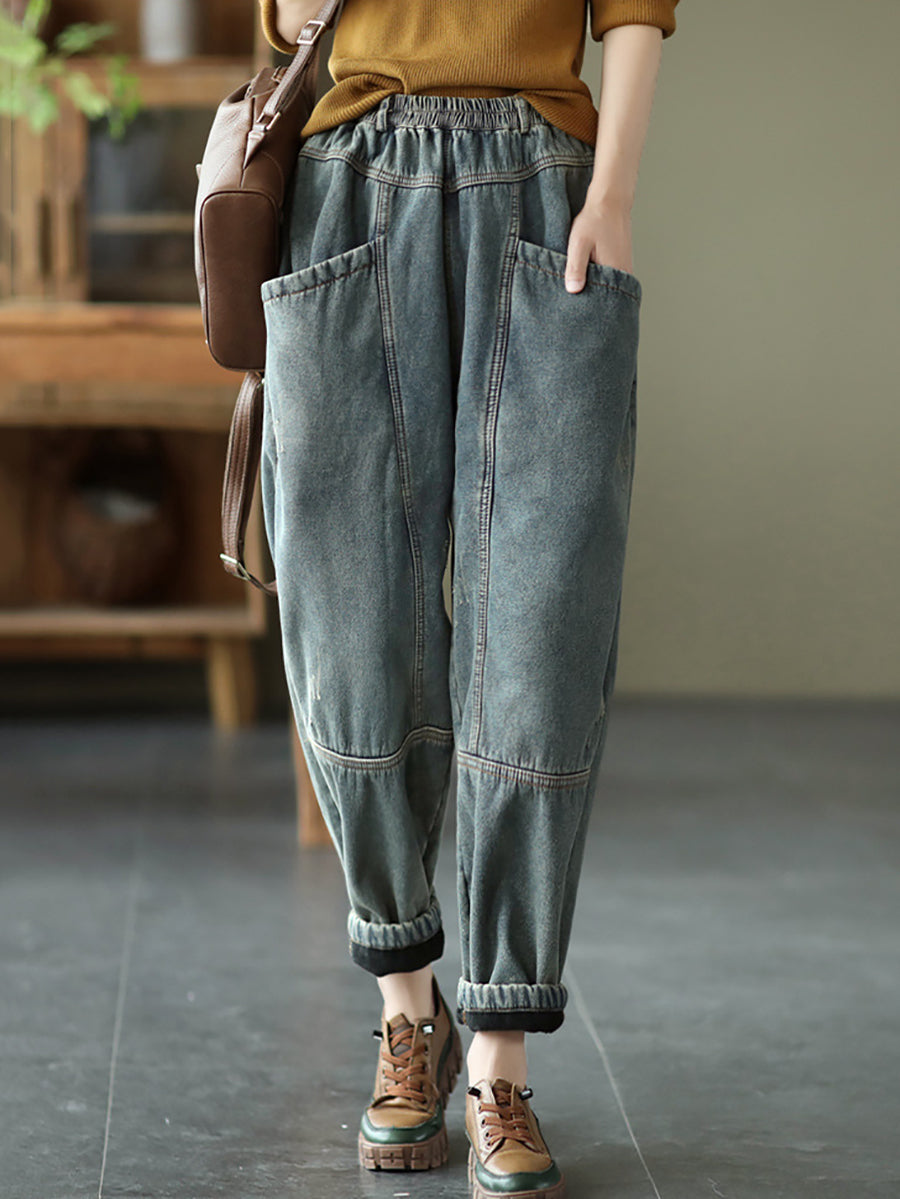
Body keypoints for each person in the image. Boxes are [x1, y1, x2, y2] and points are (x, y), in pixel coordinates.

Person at [256, 1, 679, 1194]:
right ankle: (408, 1002)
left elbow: (637, 9)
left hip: (544, 186)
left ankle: (498, 1049)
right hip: (351, 181)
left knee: (542, 629)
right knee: (348, 622)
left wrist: (615, 191)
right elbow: (287, 20)